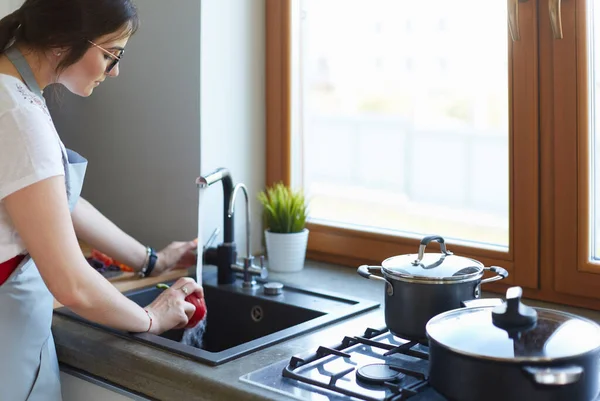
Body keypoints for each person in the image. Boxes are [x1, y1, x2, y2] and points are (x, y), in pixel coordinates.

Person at [0, 1, 204, 400]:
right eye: (113, 54)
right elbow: (71, 282)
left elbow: (54, 206)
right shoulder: (18, 117)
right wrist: (150, 318)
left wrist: (151, 260)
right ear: (63, 41)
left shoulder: (9, 92)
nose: (115, 71)